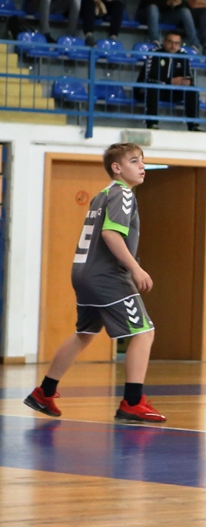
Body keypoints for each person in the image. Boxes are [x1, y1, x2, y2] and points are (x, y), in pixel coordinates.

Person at [24, 143, 165, 423]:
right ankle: (132, 403)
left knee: (84, 333)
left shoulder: (103, 194)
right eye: (134, 161)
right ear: (117, 168)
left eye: (143, 160)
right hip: (106, 276)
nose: (142, 166)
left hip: (83, 273)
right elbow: (111, 235)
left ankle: (44, 392)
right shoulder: (123, 194)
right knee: (143, 332)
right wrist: (136, 268)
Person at [137, 31, 199, 131]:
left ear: (180, 44)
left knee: (192, 90)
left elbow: (188, 76)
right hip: (153, 89)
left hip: (173, 91)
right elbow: (150, 76)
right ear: (164, 41)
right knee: (152, 85)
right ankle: (152, 123)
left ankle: (194, 125)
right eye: (170, 42)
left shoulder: (183, 55)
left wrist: (187, 82)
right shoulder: (154, 53)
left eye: (176, 43)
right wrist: (170, 81)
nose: (173, 46)